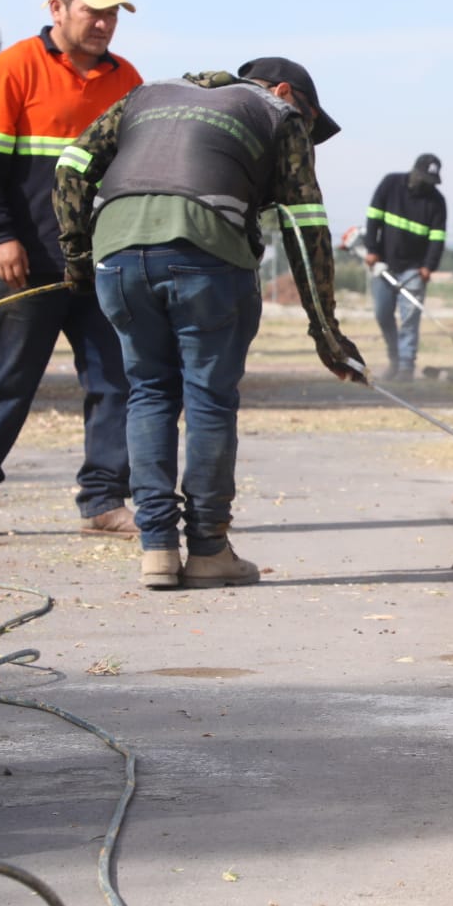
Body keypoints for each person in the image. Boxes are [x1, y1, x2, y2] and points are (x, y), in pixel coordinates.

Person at [53, 57, 364, 590]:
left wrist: (79, 256)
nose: (308, 138)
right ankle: (208, 548)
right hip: (206, 261)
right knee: (208, 399)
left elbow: (70, 166)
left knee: (148, 392)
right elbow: (306, 225)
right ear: (286, 92)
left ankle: (156, 550)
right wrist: (327, 334)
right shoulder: (278, 113)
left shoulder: (147, 96)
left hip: (119, 259)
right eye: (311, 125)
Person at [0, 0, 143, 539]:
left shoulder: (128, 79)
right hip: (25, 264)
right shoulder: (13, 69)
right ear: (57, 9)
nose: (104, 24)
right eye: (93, 12)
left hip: (102, 263)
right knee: (6, 380)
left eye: (111, 14)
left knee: (118, 382)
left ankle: (105, 501)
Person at [362, 153, 447, 380]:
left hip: (414, 270)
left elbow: (437, 238)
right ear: (415, 173)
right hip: (384, 265)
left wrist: (429, 266)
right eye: (425, 180)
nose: (428, 186)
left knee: (409, 319)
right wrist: (371, 250)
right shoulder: (390, 185)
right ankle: (395, 359)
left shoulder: (437, 202)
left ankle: (407, 366)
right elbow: (373, 219)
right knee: (382, 314)